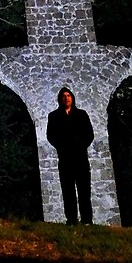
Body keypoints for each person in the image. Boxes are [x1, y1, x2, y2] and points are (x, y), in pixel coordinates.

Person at [45, 87, 95, 225]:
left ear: (72, 98)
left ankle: (87, 219)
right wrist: (62, 147)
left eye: (68, 95)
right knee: (68, 191)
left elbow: (89, 134)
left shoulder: (81, 114)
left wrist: (80, 145)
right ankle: (72, 219)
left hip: (81, 158)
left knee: (84, 190)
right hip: (65, 158)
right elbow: (51, 136)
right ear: (60, 99)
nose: (66, 98)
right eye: (63, 96)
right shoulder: (54, 116)